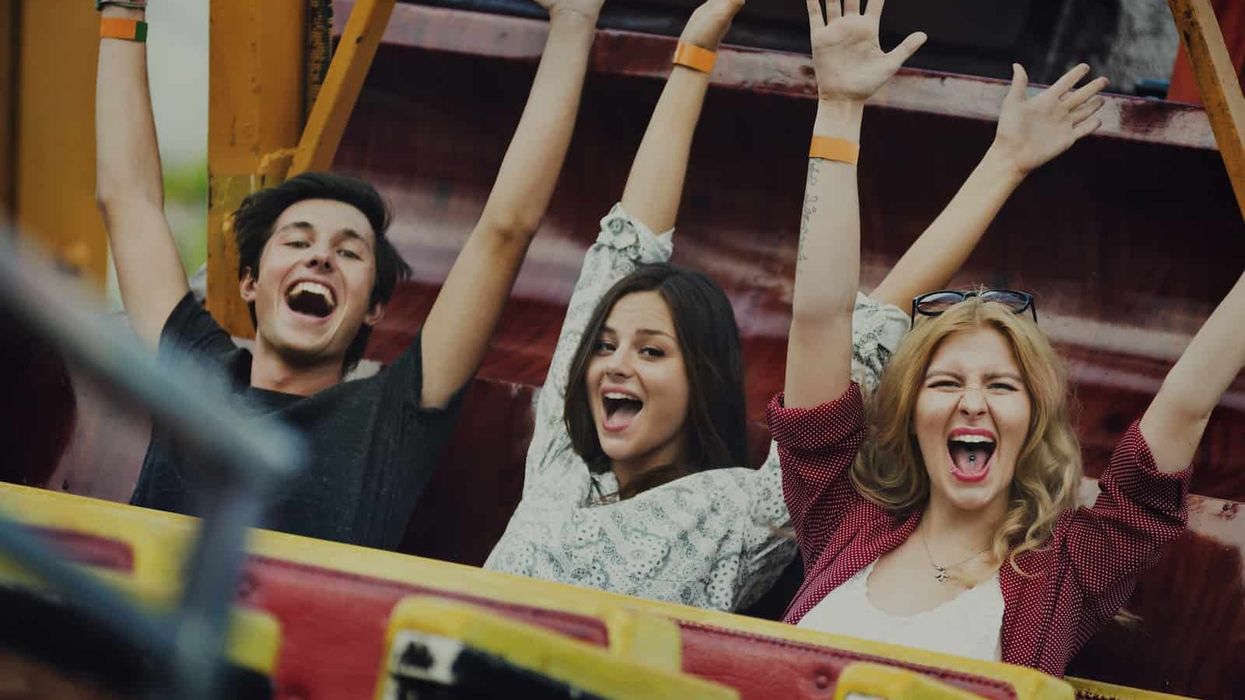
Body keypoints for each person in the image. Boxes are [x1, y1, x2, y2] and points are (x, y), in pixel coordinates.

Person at [485, 0, 1106, 612]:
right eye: (605, 347)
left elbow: (853, 322)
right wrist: (697, 48)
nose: (616, 363)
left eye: (651, 350)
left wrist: (1004, 164)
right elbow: (624, 250)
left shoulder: (744, 511)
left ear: (703, 379)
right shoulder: (561, 457)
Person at [773, 0, 1240, 676]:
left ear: (1031, 420)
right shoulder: (842, 516)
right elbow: (819, 319)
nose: (970, 402)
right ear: (909, 418)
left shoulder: (1068, 570)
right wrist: (839, 109)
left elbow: (1185, 403)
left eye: (999, 385)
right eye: (944, 382)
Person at [93, 0, 606, 549]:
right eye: (296, 241)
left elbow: (506, 230)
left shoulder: (390, 418)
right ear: (250, 282)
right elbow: (127, 200)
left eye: (349, 252)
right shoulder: (194, 372)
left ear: (373, 308)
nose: (319, 257)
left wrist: (574, 23)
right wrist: (122, 12)